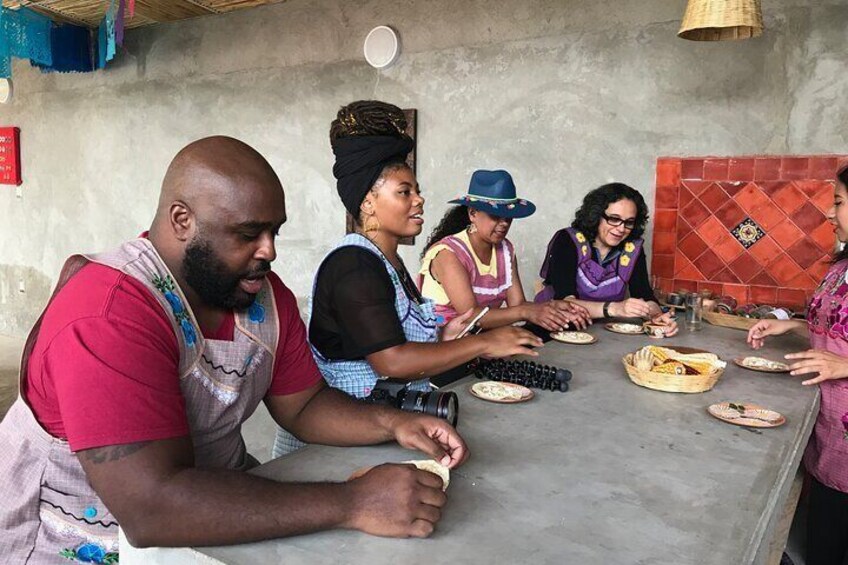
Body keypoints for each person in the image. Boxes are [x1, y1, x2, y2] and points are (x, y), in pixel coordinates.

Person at [0, 136, 470, 563]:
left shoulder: (262, 298)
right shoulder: (110, 315)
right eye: (248, 234)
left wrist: (394, 423)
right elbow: (150, 508)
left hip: (210, 522)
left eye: (275, 232)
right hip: (75, 540)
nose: (269, 251)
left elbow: (302, 405)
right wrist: (355, 502)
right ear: (182, 220)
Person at [273, 101, 542, 456]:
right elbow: (391, 361)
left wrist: (443, 337)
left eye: (417, 190)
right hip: (333, 439)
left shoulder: (389, 263)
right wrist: (484, 343)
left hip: (374, 423)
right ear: (368, 201)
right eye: (405, 192)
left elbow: (395, 340)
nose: (420, 200)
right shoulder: (353, 266)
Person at [747, 163, 848, 565]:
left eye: (838, 202)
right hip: (830, 436)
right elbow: (834, 328)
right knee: (824, 542)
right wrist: (786, 326)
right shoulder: (841, 266)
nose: (829, 212)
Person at [418, 169, 591, 332]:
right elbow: (471, 316)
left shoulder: (505, 250)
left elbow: (517, 304)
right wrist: (527, 312)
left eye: (508, 218)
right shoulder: (449, 253)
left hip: (478, 339)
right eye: (495, 216)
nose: (504, 224)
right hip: (441, 342)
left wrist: (552, 307)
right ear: (472, 213)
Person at [536, 182, 677, 333]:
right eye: (614, 219)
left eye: (629, 222)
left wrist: (656, 316)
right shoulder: (568, 240)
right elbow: (565, 301)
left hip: (603, 331)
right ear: (596, 215)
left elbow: (645, 295)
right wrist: (615, 308)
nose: (621, 229)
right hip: (554, 328)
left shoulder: (632, 249)